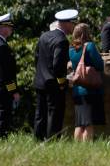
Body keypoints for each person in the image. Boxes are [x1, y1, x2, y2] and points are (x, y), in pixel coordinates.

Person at [33, 9, 77, 140]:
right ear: (67, 23)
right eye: (73, 23)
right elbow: (58, 66)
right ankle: (52, 140)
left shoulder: (44, 36)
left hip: (40, 81)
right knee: (54, 113)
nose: (74, 27)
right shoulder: (62, 40)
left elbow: (36, 58)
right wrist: (62, 82)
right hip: (53, 84)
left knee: (40, 113)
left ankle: (38, 139)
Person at [69, 23, 105, 142]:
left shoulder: (71, 49)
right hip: (90, 90)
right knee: (88, 124)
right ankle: (86, 149)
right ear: (86, 33)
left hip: (77, 90)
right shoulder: (89, 46)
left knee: (79, 123)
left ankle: (77, 149)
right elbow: (100, 65)